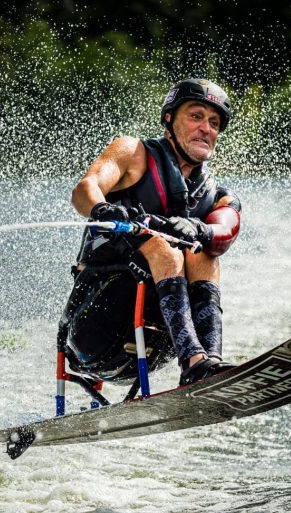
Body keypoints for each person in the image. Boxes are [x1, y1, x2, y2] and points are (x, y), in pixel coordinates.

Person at [61, 78, 242, 387]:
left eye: (214, 123)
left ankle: (206, 366)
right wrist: (103, 210)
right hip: (94, 330)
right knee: (164, 249)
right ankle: (196, 362)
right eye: (196, 116)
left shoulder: (218, 195)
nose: (206, 128)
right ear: (169, 119)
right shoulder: (132, 152)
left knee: (204, 254)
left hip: (157, 346)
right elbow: (84, 190)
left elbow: (227, 228)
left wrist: (199, 228)